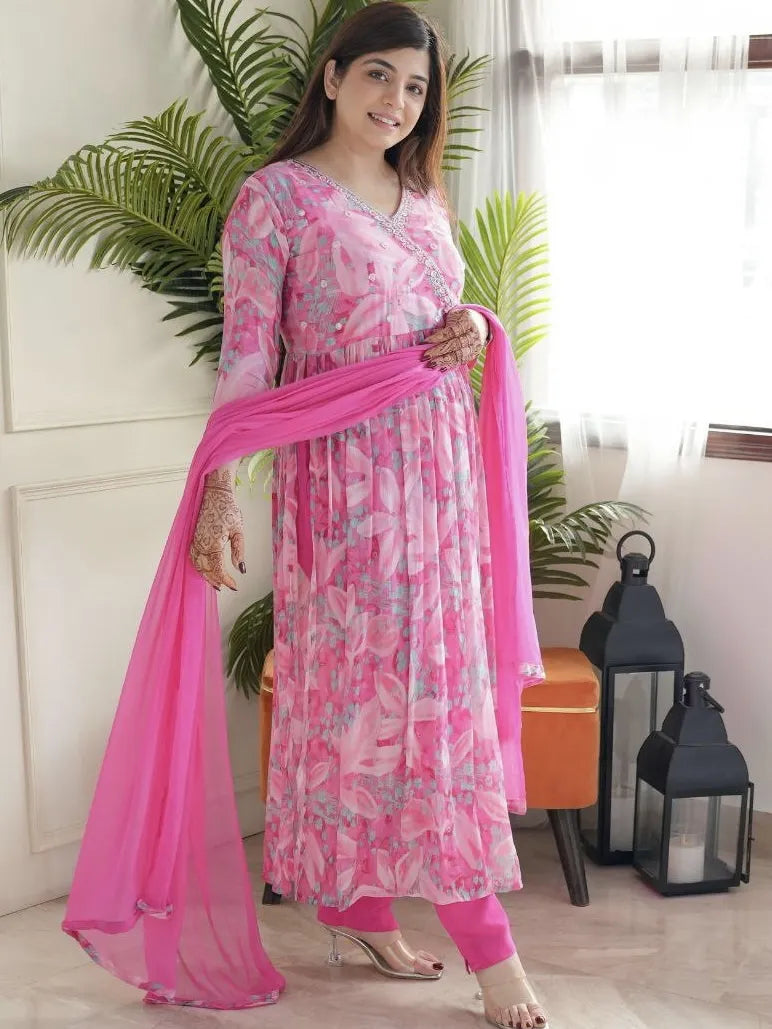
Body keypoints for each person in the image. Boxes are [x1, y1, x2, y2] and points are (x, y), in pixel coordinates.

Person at [189, 4, 548, 1028]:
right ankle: (483, 952)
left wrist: (470, 336)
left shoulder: (425, 195)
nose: (397, 103)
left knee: (438, 703)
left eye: (416, 88)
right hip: (343, 495)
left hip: (438, 488)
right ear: (334, 76)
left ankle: (367, 910)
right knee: (368, 711)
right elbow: (250, 358)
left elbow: (447, 326)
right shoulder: (275, 202)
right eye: (379, 77)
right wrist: (220, 483)